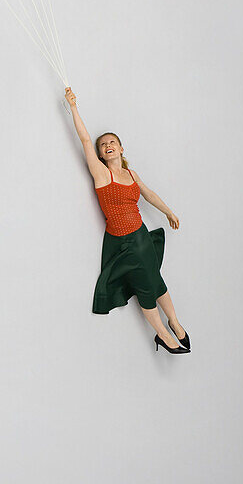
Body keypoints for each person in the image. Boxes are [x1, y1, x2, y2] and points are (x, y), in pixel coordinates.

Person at [64, 87, 190, 354]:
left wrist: (168, 211)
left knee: (155, 279)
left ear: (121, 148)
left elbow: (149, 194)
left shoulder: (131, 173)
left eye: (112, 142)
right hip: (123, 243)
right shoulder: (101, 173)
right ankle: (164, 336)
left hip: (141, 236)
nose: (107, 146)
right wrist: (73, 106)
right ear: (100, 154)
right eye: (103, 145)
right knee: (146, 289)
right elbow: (85, 140)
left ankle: (176, 324)